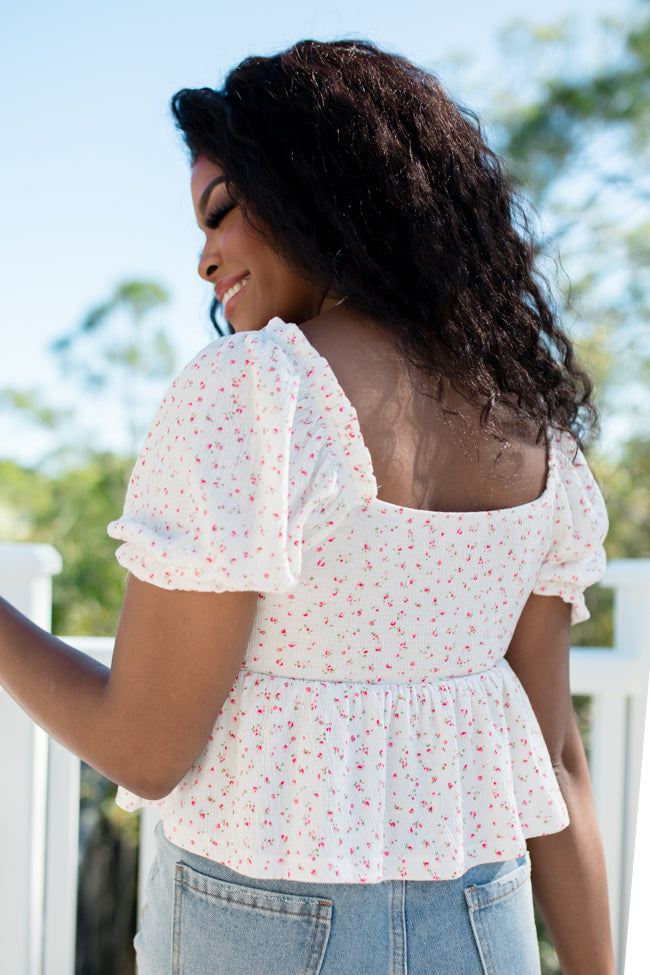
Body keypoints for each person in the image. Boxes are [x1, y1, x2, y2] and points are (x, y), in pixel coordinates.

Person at [0, 39, 615, 974]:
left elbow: (144, 749)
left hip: (271, 931)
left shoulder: (262, 391)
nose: (204, 259)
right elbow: (558, 759)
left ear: (311, 187)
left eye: (221, 211)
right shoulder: (535, 430)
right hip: (484, 923)